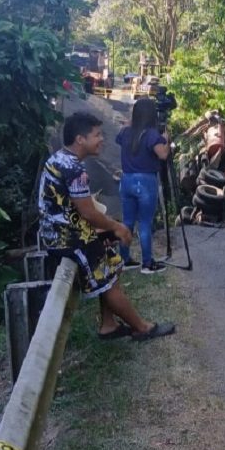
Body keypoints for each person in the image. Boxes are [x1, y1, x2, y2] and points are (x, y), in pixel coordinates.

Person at [39, 111, 175, 341]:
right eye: (97, 135)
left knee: (112, 259)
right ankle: (142, 328)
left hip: (61, 231)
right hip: (66, 238)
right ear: (80, 140)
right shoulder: (75, 169)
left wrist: (105, 230)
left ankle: (109, 325)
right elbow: (88, 213)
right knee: (107, 273)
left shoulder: (60, 158)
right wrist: (116, 228)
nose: (102, 139)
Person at [116, 97, 170, 274]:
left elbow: (119, 138)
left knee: (128, 221)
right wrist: (166, 140)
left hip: (126, 180)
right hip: (145, 181)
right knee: (145, 223)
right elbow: (162, 155)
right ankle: (147, 263)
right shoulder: (151, 134)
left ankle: (124, 259)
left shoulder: (126, 132)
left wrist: (130, 123)